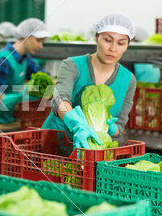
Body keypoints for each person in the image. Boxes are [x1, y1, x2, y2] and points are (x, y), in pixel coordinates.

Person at [42, 12, 137, 148]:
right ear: (96, 37)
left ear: (128, 44)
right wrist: (76, 124)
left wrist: (110, 127)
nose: (113, 48)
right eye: (107, 40)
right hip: (53, 144)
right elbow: (59, 99)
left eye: (121, 43)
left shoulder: (128, 80)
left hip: (90, 150)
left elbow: (119, 128)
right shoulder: (72, 65)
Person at [0, 18, 51, 125]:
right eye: (38, 40)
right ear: (26, 34)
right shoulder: (3, 61)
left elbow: (41, 74)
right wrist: (22, 95)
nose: (41, 46)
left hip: (4, 117)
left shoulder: (25, 59)